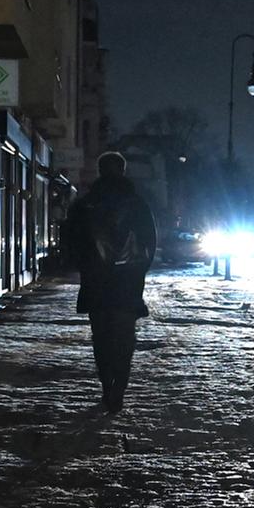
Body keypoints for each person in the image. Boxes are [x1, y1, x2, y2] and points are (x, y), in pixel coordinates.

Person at [63, 151, 157, 413]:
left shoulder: (85, 205)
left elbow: (72, 242)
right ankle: (119, 390)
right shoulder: (138, 204)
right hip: (127, 284)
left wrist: (85, 268)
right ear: (124, 171)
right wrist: (138, 272)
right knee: (125, 338)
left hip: (96, 283)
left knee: (101, 337)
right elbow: (150, 243)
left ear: (100, 171)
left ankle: (106, 386)